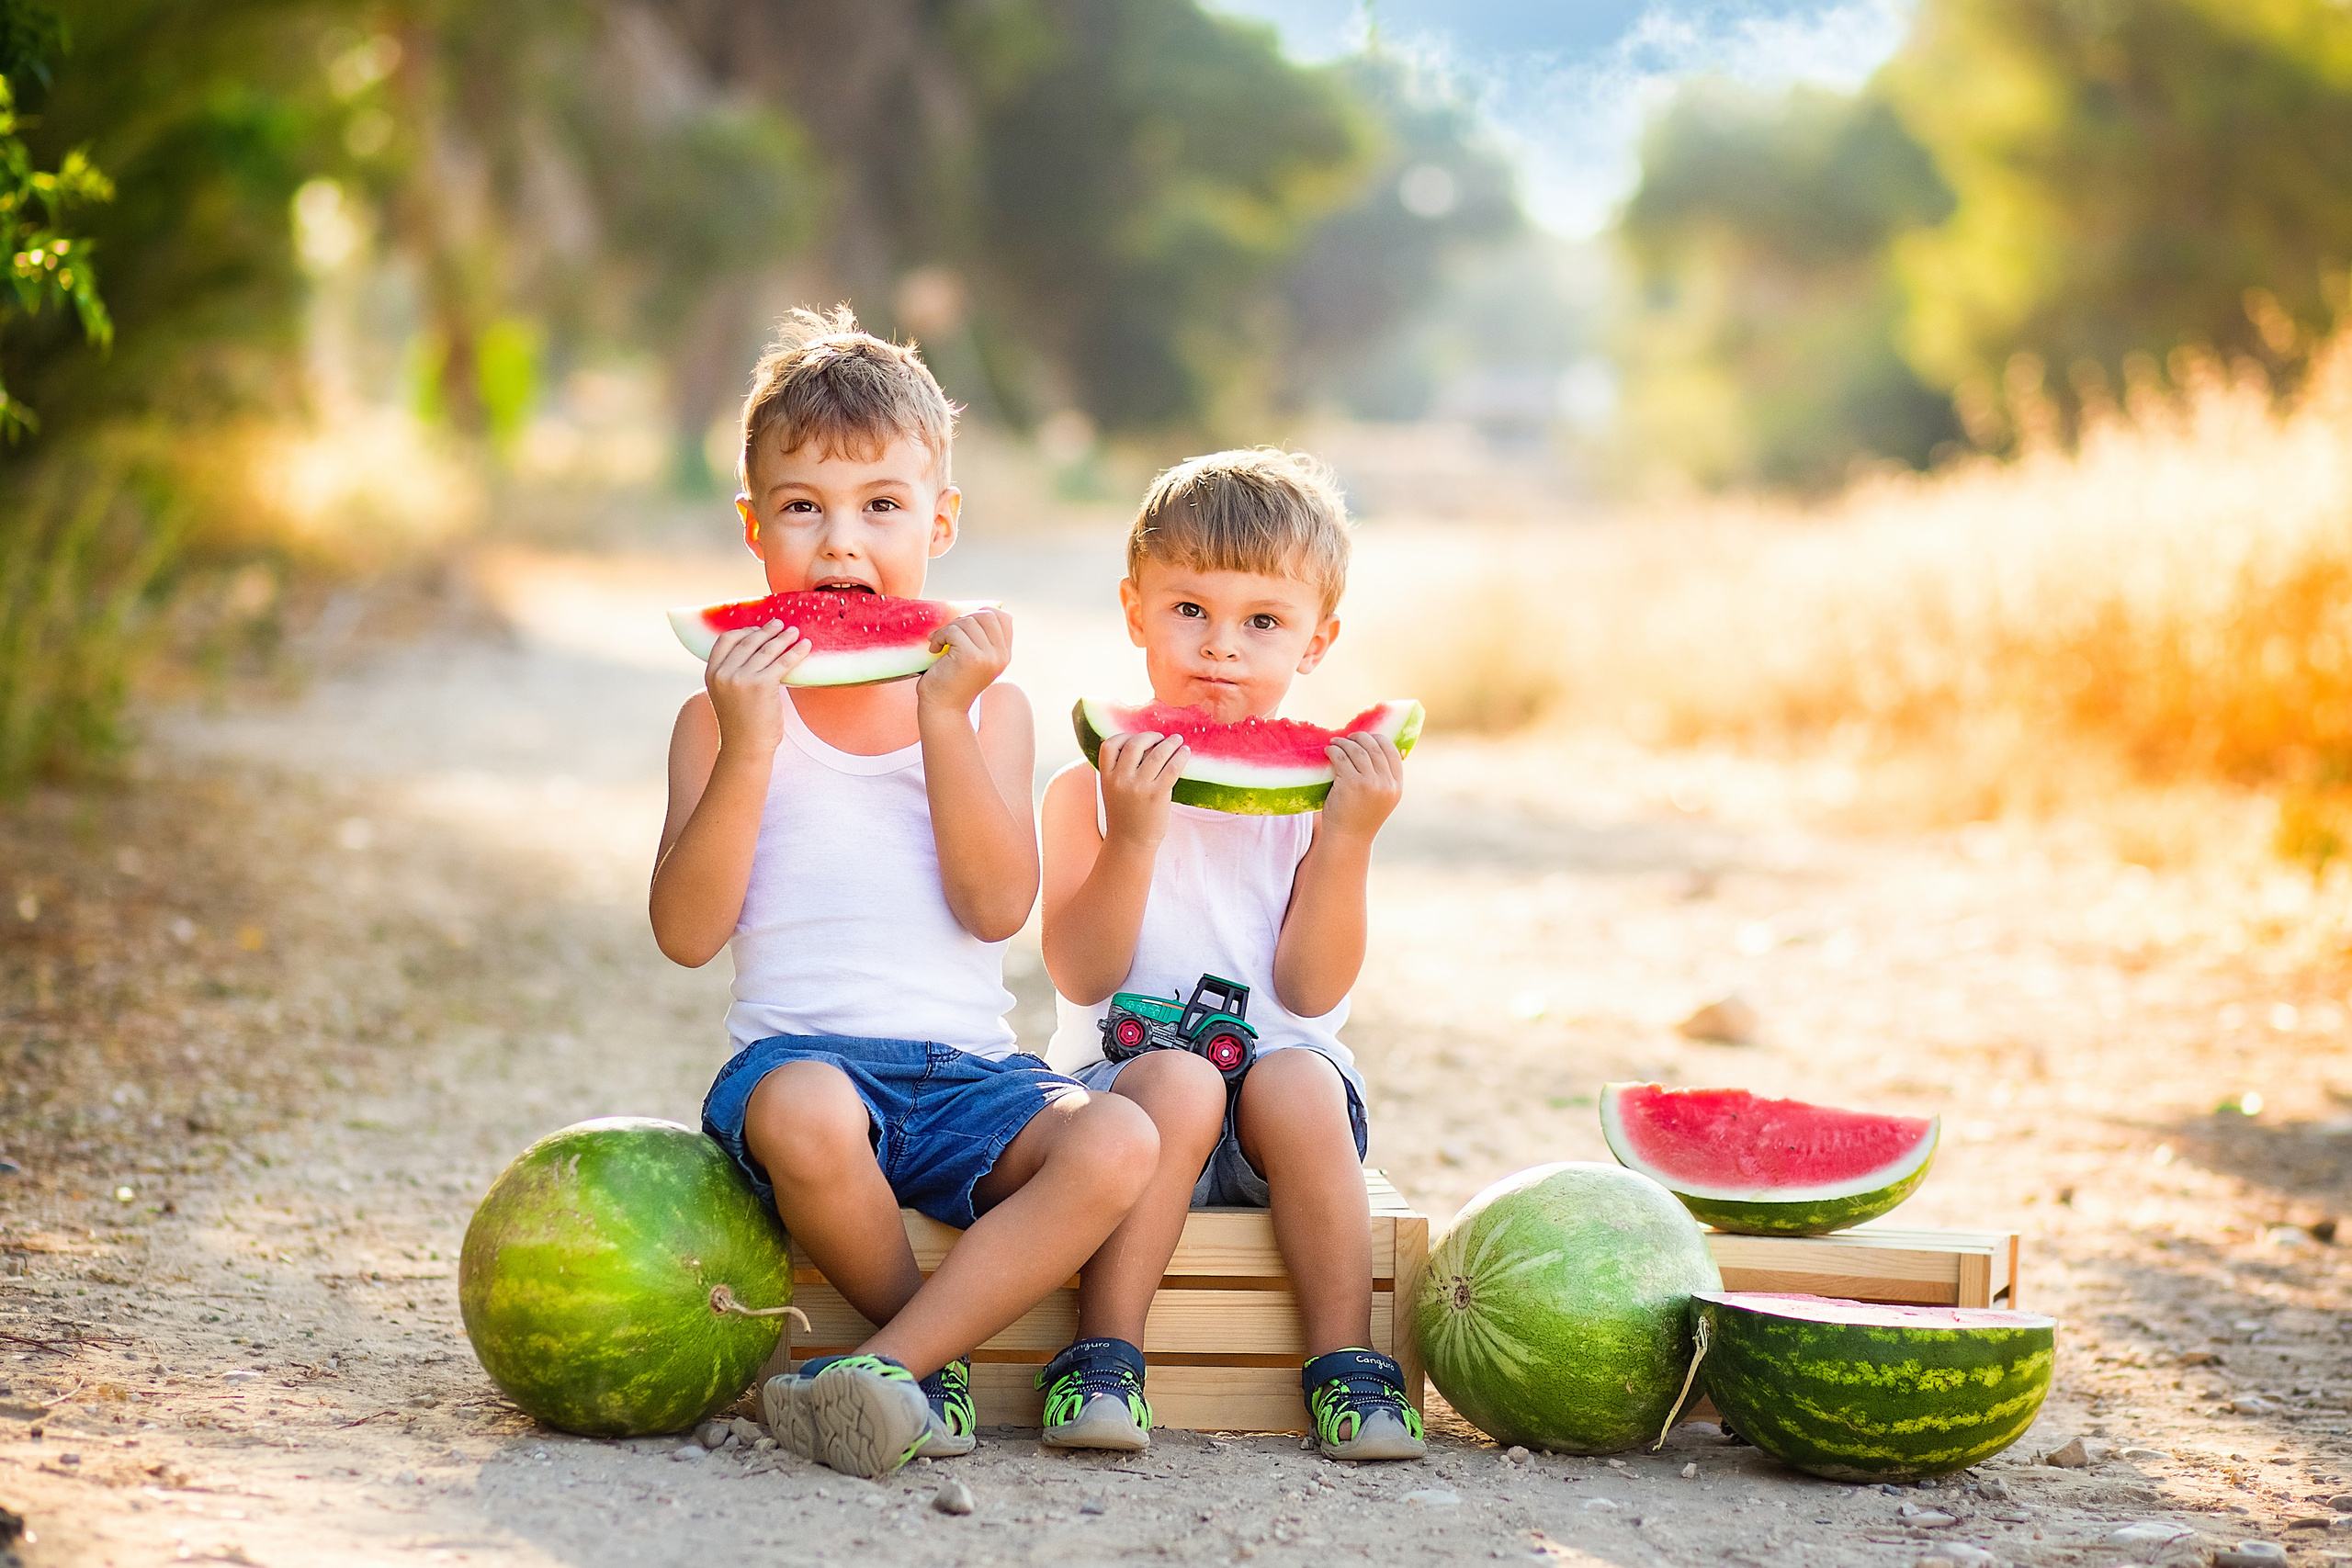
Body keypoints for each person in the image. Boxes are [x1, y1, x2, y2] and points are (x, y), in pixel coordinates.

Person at [650, 306, 1158, 1481]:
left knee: (1120, 1137)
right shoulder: (713, 719)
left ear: (941, 522)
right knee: (807, 1117)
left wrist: (943, 715)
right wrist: (749, 745)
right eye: (802, 507)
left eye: (882, 505)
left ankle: (891, 1366)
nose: (842, 545)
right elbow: (684, 935)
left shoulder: (992, 708)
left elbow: (993, 909)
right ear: (752, 526)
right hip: (799, 1067)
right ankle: (925, 1366)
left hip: (968, 1077)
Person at [1036, 448, 1425, 1461]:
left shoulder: (1310, 806)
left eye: (1262, 621)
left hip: (1280, 1134)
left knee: (1293, 1078)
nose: (1220, 648)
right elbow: (1081, 976)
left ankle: (1347, 1365)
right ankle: (1104, 1355)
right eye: (1188, 610)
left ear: (1317, 640)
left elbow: (1309, 989)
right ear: (1134, 611)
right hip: (1120, 1109)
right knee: (1174, 1079)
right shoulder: (1084, 790)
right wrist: (1132, 834)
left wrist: (1346, 836)